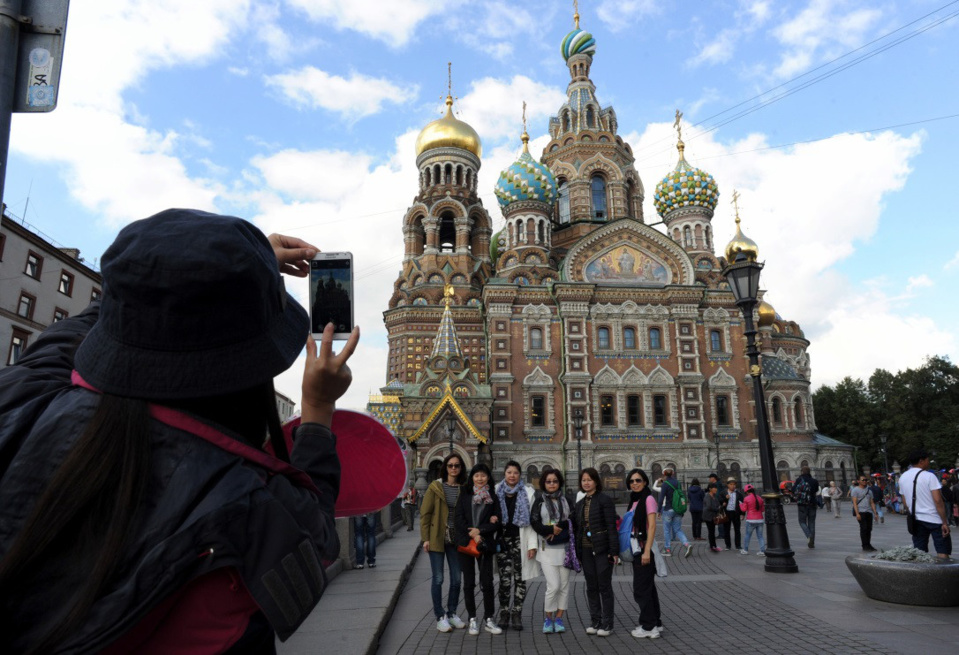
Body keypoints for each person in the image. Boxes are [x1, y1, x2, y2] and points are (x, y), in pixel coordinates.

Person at [0, 210, 358, 652]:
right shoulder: (247, 504)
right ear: (253, 370)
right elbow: (317, 532)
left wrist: (203, 277)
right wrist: (319, 409)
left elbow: (80, 331)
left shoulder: (21, 400)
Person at [420, 452, 468, 633]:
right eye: (450, 465)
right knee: (438, 578)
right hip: (437, 537)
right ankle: (440, 616)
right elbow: (425, 514)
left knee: (456, 578)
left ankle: (452, 613)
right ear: (445, 468)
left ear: (461, 468)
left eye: (457, 465)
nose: (454, 468)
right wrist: (425, 538)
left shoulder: (464, 488)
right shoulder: (435, 487)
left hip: (456, 539)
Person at [455, 463, 504, 635]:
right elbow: (459, 518)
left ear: (488, 477)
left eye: (483, 475)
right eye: (477, 476)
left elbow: (498, 521)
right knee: (468, 583)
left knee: (487, 582)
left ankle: (489, 618)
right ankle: (472, 619)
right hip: (467, 544)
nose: (480, 479)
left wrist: (481, 531)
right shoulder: (465, 494)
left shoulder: (492, 496)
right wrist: (473, 534)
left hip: (485, 543)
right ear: (472, 477)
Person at [574, 467, 618, 637]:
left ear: (596, 481)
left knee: (604, 586)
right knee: (591, 587)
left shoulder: (604, 500)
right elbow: (573, 525)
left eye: (589, 479)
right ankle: (595, 620)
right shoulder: (580, 504)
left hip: (602, 549)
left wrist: (613, 550)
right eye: (583, 480)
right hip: (585, 550)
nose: (586, 483)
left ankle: (607, 624)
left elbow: (611, 526)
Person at [529, 469, 574, 634]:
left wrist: (558, 529)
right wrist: (548, 529)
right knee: (553, 586)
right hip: (546, 549)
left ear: (559, 482)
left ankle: (559, 618)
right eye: (548, 481)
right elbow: (534, 522)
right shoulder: (539, 501)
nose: (552, 484)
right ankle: (548, 618)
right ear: (544, 483)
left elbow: (572, 520)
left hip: (565, 548)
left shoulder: (567, 500)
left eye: (555, 481)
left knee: (564, 586)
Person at [494, 460, 537, 630]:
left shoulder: (527, 492)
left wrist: (532, 545)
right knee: (504, 580)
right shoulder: (497, 491)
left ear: (520, 475)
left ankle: (517, 613)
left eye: (515, 473)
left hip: (521, 541)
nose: (512, 476)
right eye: (509, 472)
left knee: (520, 579)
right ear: (505, 474)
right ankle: (504, 612)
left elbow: (532, 522)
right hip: (503, 541)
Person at [626, 468, 664, 640]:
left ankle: (649, 627)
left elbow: (652, 526)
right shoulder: (635, 500)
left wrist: (647, 550)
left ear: (645, 482)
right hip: (637, 548)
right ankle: (656, 622)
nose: (635, 483)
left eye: (638, 480)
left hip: (644, 548)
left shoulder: (648, 499)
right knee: (649, 588)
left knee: (641, 589)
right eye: (632, 481)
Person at [899, 449, 952, 558]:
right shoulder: (929, 476)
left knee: (919, 552)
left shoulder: (903, 477)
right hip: (934, 518)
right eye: (928, 460)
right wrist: (944, 522)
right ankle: (943, 573)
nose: (929, 462)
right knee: (942, 549)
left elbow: (904, 502)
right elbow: (938, 500)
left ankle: (923, 574)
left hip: (916, 519)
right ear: (921, 461)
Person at [652, 468, 692, 558]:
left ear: (664, 474)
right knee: (678, 529)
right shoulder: (678, 483)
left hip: (668, 509)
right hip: (677, 509)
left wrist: (658, 511)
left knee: (666, 530)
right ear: (673, 473)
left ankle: (668, 549)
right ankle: (687, 544)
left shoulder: (665, 484)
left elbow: (661, 498)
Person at [794, 466, 820, 548]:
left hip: (802, 504)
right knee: (812, 523)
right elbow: (816, 490)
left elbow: (793, 489)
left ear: (802, 472)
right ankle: (811, 543)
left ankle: (809, 535)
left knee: (802, 521)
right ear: (809, 472)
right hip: (812, 503)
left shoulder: (799, 480)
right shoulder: (814, 481)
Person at [851, 475, 878, 552]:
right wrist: (857, 514)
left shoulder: (869, 491)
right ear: (858, 481)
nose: (865, 481)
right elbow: (855, 503)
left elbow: (872, 502)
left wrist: (875, 513)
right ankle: (864, 545)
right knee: (864, 528)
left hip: (869, 512)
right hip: (861, 512)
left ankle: (868, 544)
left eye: (866, 480)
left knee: (869, 529)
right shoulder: (855, 490)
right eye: (863, 480)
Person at [739, 484, 766, 556]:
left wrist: (740, 504)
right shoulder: (760, 498)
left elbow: (744, 509)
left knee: (748, 535)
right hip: (760, 519)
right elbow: (763, 509)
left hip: (751, 520)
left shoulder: (746, 499)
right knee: (760, 536)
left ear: (746, 492)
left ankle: (745, 550)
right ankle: (762, 551)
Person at [719, 477, 743, 551]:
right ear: (728, 485)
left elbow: (742, 504)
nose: (733, 486)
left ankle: (738, 545)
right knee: (726, 529)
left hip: (736, 513)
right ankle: (728, 545)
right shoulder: (723, 493)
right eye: (731, 484)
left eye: (734, 484)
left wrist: (742, 513)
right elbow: (720, 503)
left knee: (737, 530)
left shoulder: (739, 493)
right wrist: (725, 499)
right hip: (727, 513)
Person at [702, 483, 723, 552]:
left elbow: (718, 504)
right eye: (714, 488)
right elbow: (709, 506)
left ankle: (714, 545)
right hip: (708, 516)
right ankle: (712, 546)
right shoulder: (708, 496)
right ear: (710, 489)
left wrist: (720, 506)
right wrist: (717, 509)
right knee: (711, 531)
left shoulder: (714, 496)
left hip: (713, 516)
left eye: (716, 488)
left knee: (712, 531)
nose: (716, 489)